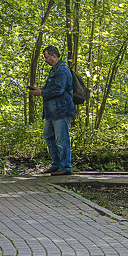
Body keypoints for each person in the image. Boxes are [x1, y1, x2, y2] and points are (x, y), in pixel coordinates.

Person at [28, 45, 76, 175]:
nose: (46, 60)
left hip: (61, 110)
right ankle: (56, 164)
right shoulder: (54, 70)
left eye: (47, 57)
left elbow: (59, 89)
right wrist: (41, 90)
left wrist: (41, 93)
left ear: (54, 55)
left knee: (62, 139)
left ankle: (65, 167)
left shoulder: (62, 70)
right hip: (52, 111)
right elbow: (54, 87)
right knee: (48, 135)